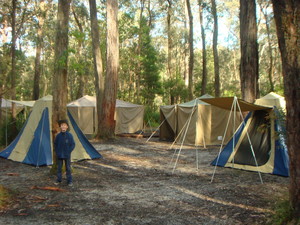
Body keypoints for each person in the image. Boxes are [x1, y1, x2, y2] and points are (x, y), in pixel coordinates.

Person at [54, 119, 75, 186]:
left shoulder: (70, 136)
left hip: (67, 155)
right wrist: (57, 151)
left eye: (64, 125)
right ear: (60, 127)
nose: (63, 127)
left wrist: (69, 151)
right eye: (62, 125)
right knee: (59, 168)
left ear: (67, 127)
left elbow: (73, 144)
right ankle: (59, 180)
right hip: (59, 155)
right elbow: (55, 144)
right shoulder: (58, 136)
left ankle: (69, 181)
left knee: (68, 168)